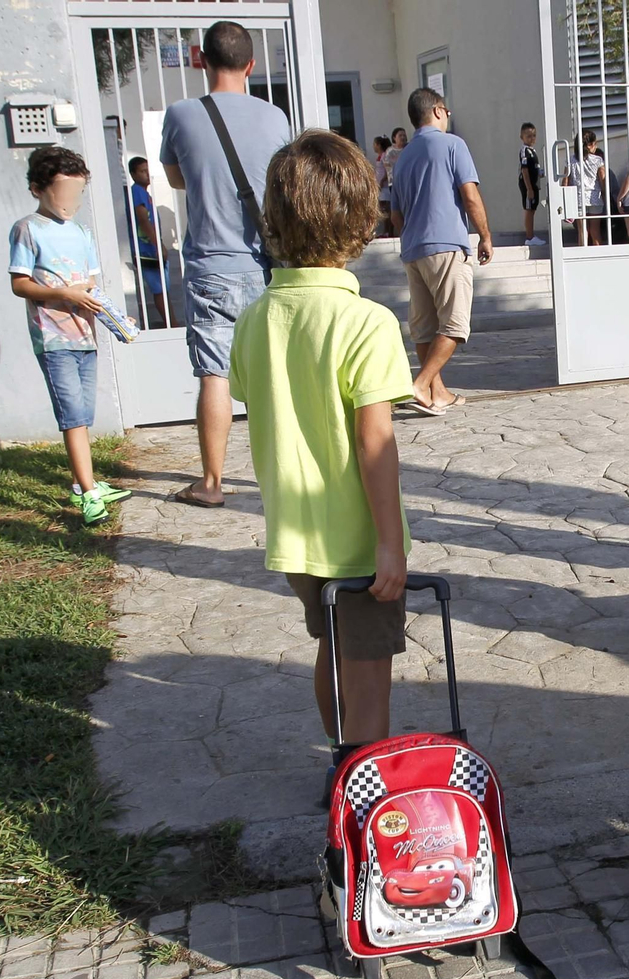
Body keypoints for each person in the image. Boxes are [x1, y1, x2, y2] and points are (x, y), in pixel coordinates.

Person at [227, 129, 414, 795]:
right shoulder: (366, 323)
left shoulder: (254, 319)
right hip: (356, 541)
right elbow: (374, 444)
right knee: (369, 674)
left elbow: (259, 400)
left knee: (332, 649)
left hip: (296, 538)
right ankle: (366, 797)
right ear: (363, 219)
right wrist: (390, 544)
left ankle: (342, 760)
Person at [159, 20, 291, 508]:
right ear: (251, 65)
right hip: (263, 265)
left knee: (214, 374)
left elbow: (177, 179)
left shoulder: (181, 115)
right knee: (267, 374)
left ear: (201, 60)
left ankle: (211, 482)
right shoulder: (275, 119)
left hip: (210, 266)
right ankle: (277, 479)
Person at [7, 147, 132, 525]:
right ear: (37, 189)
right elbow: (19, 284)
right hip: (54, 338)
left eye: (76, 194)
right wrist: (63, 294)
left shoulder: (80, 232)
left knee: (84, 414)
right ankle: (89, 493)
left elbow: (90, 280)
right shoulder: (27, 229)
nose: (69, 202)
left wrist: (103, 308)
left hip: (85, 336)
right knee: (73, 418)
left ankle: (85, 482)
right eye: (62, 193)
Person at [388, 87, 494, 415]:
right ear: (437, 110)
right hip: (448, 244)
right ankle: (419, 384)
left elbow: (395, 214)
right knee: (454, 324)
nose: (449, 117)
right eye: (447, 112)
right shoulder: (452, 145)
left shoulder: (402, 157)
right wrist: (485, 236)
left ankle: (438, 393)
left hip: (413, 249)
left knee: (423, 326)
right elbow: (470, 195)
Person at [127, 156, 178, 329]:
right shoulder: (137, 192)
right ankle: (171, 324)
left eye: (148, 170)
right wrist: (158, 244)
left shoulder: (144, 193)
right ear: (133, 174)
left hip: (150, 248)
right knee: (160, 289)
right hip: (147, 250)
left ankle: (172, 322)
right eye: (142, 171)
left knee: (163, 288)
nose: (147, 174)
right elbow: (143, 220)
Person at [565, 128, 607, 246]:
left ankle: (581, 256)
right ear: (589, 145)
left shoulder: (571, 160)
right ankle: (597, 255)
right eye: (595, 143)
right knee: (595, 231)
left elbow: (565, 180)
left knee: (582, 231)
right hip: (595, 197)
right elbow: (602, 179)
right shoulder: (598, 160)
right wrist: (604, 194)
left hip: (578, 198)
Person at [518, 121, 546, 245]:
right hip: (528, 185)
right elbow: (524, 170)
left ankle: (531, 235)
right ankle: (529, 237)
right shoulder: (524, 151)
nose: (532, 138)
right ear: (522, 137)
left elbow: (533, 168)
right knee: (529, 209)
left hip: (534, 184)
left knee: (533, 209)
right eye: (528, 136)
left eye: (534, 135)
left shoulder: (532, 151)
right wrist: (529, 188)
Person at [384, 127, 408, 235]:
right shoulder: (390, 151)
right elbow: (390, 166)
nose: (403, 137)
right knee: (396, 209)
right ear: (394, 138)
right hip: (394, 183)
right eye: (400, 135)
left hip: (408, 183)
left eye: (404, 135)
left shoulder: (409, 148)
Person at [373, 135, 393, 237]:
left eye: (375, 144)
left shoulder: (385, 155)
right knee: (383, 209)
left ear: (379, 145)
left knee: (386, 210)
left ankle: (388, 231)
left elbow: (386, 170)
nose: (374, 146)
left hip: (384, 187)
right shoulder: (380, 156)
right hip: (380, 186)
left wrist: (381, 181)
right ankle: (385, 230)